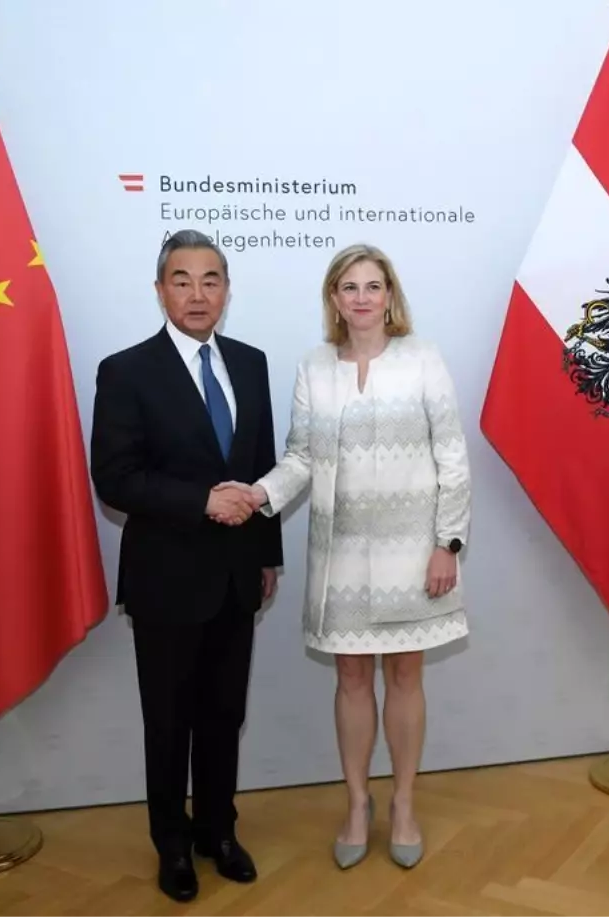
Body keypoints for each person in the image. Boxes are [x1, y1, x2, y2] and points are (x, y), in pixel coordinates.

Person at [236, 243, 471, 870]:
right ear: (334, 300)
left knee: (406, 677)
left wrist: (447, 544)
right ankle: (358, 804)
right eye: (349, 287)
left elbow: (452, 457)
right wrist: (258, 495)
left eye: (372, 286)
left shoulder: (423, 359)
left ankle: (404, 804)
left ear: (389, 296)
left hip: (415, 554)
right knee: (350, 679)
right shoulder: (314, 367)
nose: (361, 297)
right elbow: (301, 458)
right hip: (338, 555)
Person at [90, 230, 283, 903]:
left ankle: (218, 832)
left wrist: (267, 554)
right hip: (166, 577)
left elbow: (262, 466)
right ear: (160, 289)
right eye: (182, 280)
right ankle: (172, 845)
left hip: (237, 575)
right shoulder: (126, 370)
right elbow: (114, 477)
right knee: (169, 722)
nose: (197, 294)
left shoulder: (251, 363)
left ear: (226, 290)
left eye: (210, 280)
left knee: (224, 715)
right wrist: (201, 500)